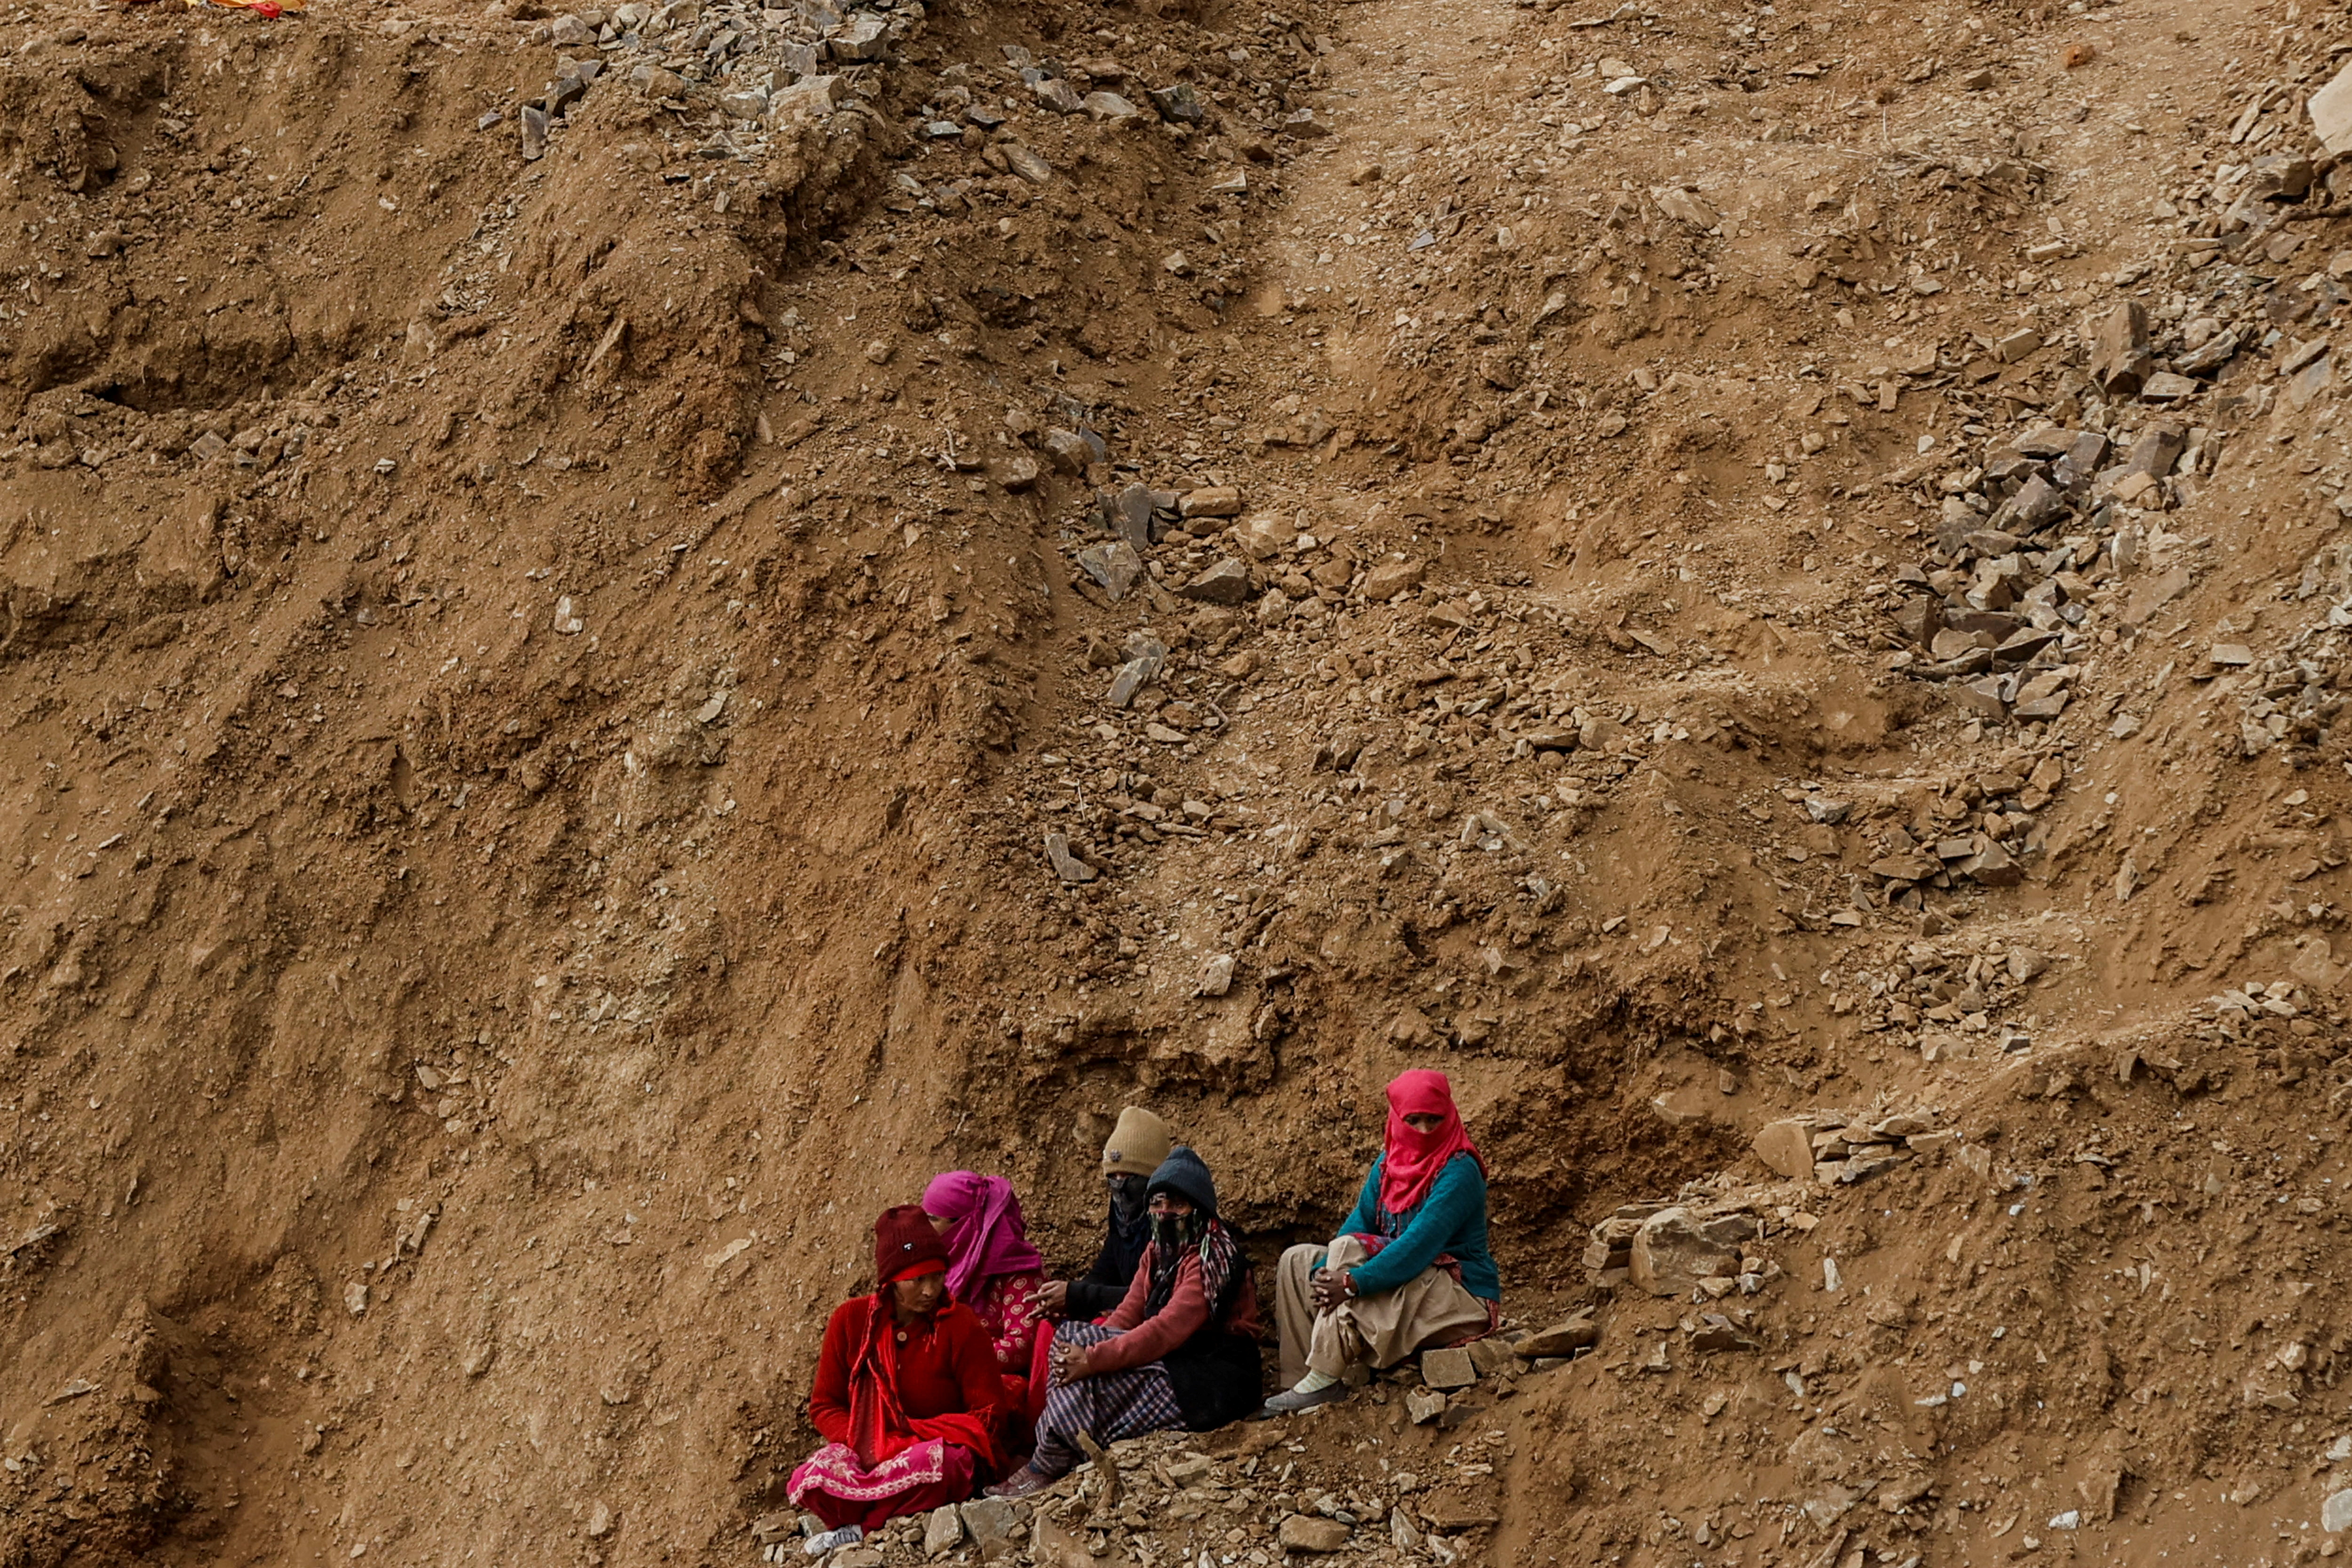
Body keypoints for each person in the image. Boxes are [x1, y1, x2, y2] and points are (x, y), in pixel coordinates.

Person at [987, 1146, 1262, 1498]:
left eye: (1177, 1204)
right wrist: (1089, 1349)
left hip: (1214, 1374)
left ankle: (1048, 1461)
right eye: (1158, 1203)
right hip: (1176, 1359)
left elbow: (1165, 1329)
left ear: (1200, 1208)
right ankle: (1056, 1451)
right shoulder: (1160, 1250)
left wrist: (1095, 1359)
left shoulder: (1212, 1257)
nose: (1165, 1213)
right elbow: (1130, 1311)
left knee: (1103, 1379)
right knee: (1070, 1336)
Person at [1261, 1070, 1500, 1416]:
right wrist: (1324, 1273)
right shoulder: (1388, 1164)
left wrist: (1352, 1282)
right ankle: (1301, 1383)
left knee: (1346, 1257)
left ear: (1448, 1116)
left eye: (1433, 1120)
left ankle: (1324, 1377)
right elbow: (1360, 1221)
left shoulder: (1460, 1170)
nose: (1423, 1131)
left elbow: (1419, 1244)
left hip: (1456, 1294)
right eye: (1413, 1120)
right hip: (1407, 1278)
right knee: (1297, 1261)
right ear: (1396, 1119)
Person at [787, 1206, 1006, 1555]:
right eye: (917, 1279)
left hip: (933, 1448)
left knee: (948, 1467)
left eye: (937, 1276)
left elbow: (989, 1413)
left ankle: (862, 1527)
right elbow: (825, 1404)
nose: (930, 1290)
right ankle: (883, 1505)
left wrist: (917, 1439)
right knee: (811, 1478)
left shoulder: (960, 1325)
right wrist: (866, 1444)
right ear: (890, 1280)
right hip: (868, 1449)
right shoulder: (850, 1321)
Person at [921, 1171, 1050, 1421]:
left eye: (933, 1220)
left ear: (963, 1226)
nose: (923, 1230)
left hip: (997, 1380)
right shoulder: (937, 1268)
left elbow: (1021, 1345)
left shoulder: (1019, 1272)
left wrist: (956, 1361)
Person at [1038, 1106, 1173, 1322]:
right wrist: (1064, 1298)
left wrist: (1077, 1295)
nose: (1121, 1187)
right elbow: (1106, 1270)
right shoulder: (1124, 1217)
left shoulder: (1172, 1222)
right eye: (1114, 1177)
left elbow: (1157, 1294)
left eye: (1130, 1177)